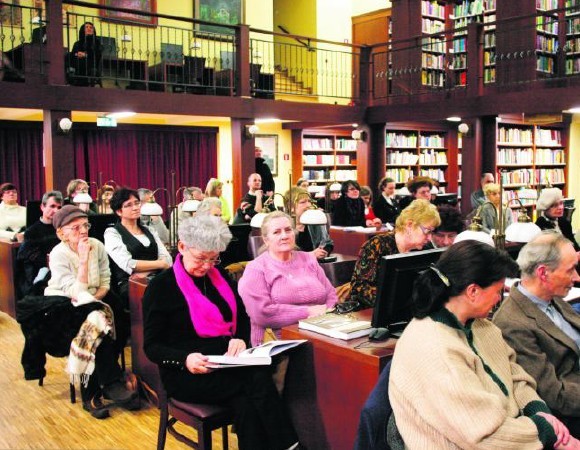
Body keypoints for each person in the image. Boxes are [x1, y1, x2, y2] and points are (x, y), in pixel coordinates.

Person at [390, 240, 579, 450]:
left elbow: (516, 375)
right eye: (498, 291)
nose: (500, 299)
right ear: (473, 292)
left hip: (516, 433)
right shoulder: (434, 349)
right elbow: (485, 437)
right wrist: (546, 431)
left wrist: (536, 409)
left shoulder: (482, 326)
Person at [142, 215, 299, 450]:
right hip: (187, 371)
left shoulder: (220, 277)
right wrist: (185, 359)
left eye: (213, 259)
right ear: (183, 247)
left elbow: (243, 317)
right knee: (256, 379)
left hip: (226, 363)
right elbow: (152, 346)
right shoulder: (161, 287)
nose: (207, 266)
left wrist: (239, 339)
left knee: (246, 404)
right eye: (200, 258)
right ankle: (291, 445)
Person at [44, 205, 135, 417]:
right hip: (65, 302)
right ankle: (94, 391)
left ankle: (107, 382)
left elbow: (105, 279)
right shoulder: (59, 254)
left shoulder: (97, 245)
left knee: (117, 318)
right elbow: (76, 292)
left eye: (85, 225)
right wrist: (83, 260)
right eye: (75, 228)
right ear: (61, 233)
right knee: (93, 326)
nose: (83, 231)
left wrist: (98, 299)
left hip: (96, 296)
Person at [494, 231, 580, 437]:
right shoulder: (512, 324)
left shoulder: (553, 297)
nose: (576, 277)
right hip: (569, 417)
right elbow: (555, 396)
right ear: (543, 273)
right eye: (570, 270)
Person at [239, 211, 338, 346]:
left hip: (321, 333)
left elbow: (331, 294)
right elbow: (261, 313)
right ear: (266, 239)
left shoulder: (308, 259)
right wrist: (308, 312)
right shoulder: (256, 269)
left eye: (288, 230)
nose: (284, 236)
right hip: (280, 345)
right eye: (277, 232)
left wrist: (325, 313)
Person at [349, 199, 440, 308]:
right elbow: (360, 289)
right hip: (371, 313)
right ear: (409, 225)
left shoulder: (426, 249)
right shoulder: (376, 246)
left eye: (432, 232)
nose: (430, 238)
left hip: (411, 312)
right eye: (427, 231)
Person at [104, 188, 172, 306]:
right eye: (128, 205)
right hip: (130, 284)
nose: (135, 207)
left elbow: (168, 260)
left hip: (157, 278)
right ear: (119, 211)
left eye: (136, 203)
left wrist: (149, 270)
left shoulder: (149, 229)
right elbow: (128, 264)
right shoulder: (112, 233)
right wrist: (160, 264)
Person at [17, 190, 63, 296]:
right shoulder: (32, 232)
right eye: (52, 206)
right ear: (42, 207)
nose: (56, 210)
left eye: (59, 207)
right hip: (43, 274)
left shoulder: (63, 228)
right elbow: (33, 260)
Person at [286, 187, 333, 259]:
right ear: (291, 207)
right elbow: (285, 254)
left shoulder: (314, 221)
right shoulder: (284, 227)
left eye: (309, 201)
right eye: (303, 202)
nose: (308, 205)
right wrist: (311, 255)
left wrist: (322, 252)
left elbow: (328, 244)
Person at [535, 187, 579, 251]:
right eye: (555, 205)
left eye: (561, 203)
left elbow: (574, 245)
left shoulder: (564, 222)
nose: (560, 208)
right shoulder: (539, 225)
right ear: (545, 207)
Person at [69, 22, 102, 87]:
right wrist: (77, 54)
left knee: (83, 61)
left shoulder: (96, 42)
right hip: (77, 62)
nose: (89, 29)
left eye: (91, 27)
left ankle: (81, 83)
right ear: (83, 30)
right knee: (67, 56)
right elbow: (73, 54)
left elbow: (97, 54)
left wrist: (85, 55)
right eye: (86, 27)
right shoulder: (77, 43)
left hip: (91, 63)